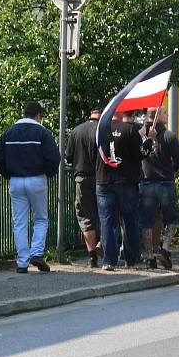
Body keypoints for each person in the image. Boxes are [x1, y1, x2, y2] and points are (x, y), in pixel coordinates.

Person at [0, 101, 60, 273]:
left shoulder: (8, 132)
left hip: (15, 181)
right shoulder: (42, 132)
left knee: (19, 222)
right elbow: (54, 157)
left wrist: (9, 174)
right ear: (38, 115)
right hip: (37, 179)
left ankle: (22, 263)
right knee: (40, 219)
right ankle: (36, 253)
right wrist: (47, 174)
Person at [95, 110, 151, 271]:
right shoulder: (130, 130)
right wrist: (149, 141)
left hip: (103, 180)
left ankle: (108, 260)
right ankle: (131, 258)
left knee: (107, 221)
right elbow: (141, 154)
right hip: (126, 181)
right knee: (129, 221)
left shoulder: (100, 128)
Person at [139, 106, 179, 269]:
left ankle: (148, 254)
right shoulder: (169, 136)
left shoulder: (140, 134)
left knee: (146, 220)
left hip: (146, 181)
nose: (167, 115)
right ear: (158, 116)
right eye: (165, 112)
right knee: (172, 218)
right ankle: (165, 248)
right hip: (165, 182)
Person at [65, 108, 101, 268]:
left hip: (82, 178)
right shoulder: (104, 130)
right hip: (103, 179)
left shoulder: (76, 131)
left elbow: (69, 157)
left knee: (86, 217)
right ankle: (107, 248)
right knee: (107, 215)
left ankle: (92, 256)